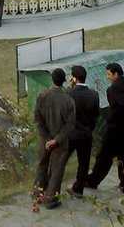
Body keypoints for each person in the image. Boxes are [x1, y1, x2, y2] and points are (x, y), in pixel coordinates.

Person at [87, 62, 124, 194]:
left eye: (109, 74)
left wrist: (110, 119)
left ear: (116, 74)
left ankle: (92, 181)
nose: (107, 77)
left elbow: (120, 106)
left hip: (115, 128)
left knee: (104, 156)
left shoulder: (112, 89)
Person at [32, 68, 77, 210]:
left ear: (52, 79)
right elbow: (70, 125)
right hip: (60, 142)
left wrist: (46, 138)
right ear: (63, 81)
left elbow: (38, 119)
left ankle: (38, 191)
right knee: (57, 169)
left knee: (42, 164)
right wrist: (56, 140)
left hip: (44, 140)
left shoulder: (42, 96)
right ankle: (50, 199)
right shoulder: (68, 100)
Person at [67, 65, 100, 198]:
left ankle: (52, 188)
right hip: (86, 133)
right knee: (84, 163)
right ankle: (78, 189)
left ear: (74, 78)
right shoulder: (94, 94)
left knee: (61, 161)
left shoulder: (69, 93)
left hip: (71, 134)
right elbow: (96, 114)